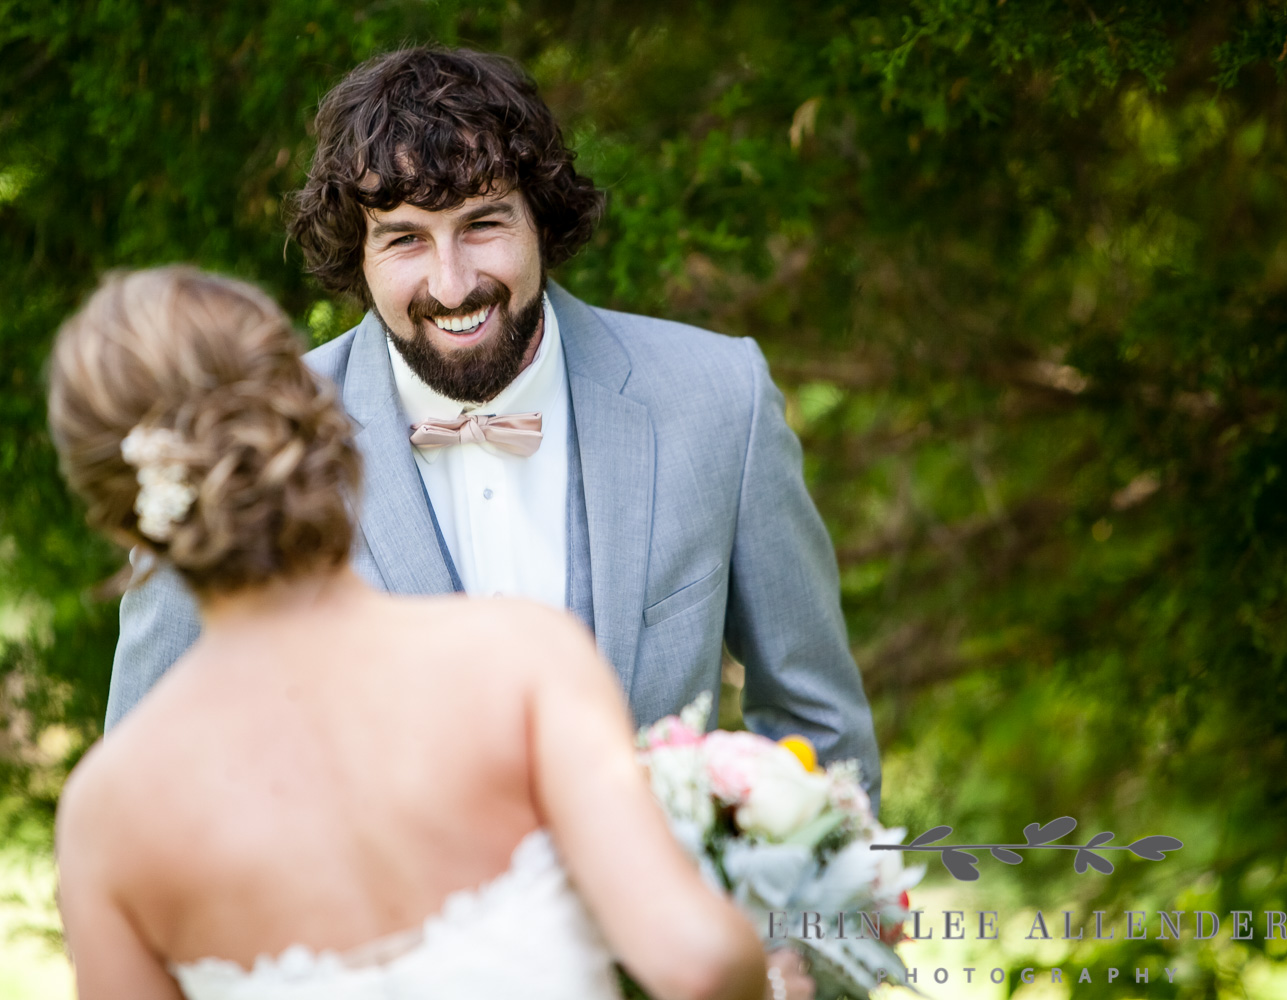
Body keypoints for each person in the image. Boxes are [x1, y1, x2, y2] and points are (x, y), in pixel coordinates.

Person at [106, 46, 882, 815]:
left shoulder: (719, 400)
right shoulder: (237, 447)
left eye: (482, 223)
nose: (452, 284)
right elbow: (148, 789)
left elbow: (822, 737)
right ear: (358, 252)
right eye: (405, 237)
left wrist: (803, 929)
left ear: (541, 219)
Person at [48, 266, 771, 999]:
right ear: (315, 412)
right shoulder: (523, 658)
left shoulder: (109, 814)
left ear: (118, 519)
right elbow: (698, 964)